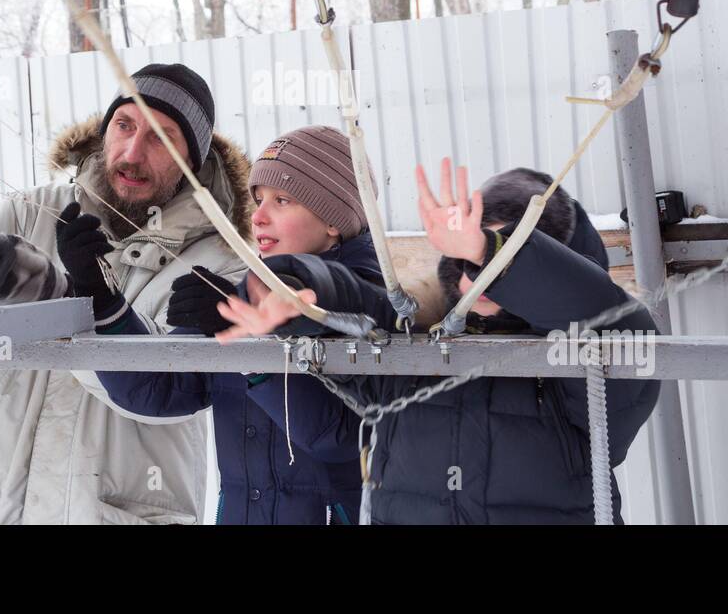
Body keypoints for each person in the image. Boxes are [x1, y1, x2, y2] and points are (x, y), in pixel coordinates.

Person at [0, 63, 251, 524]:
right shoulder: (34, 214)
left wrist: (87, 297)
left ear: (193, 161)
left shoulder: (220, 263)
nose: (132, 152)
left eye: (161, 138)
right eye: (124, 126)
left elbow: (156, 389)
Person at [217, 158, 662, 524]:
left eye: (497, 253)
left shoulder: (580, 365)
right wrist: (296, 289)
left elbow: (614, 325)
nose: (477, 271)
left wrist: (489, 250)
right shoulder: (420, 347)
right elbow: (358, 303)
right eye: (466, 253)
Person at [82, 125, 384, 524]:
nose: (258, 217)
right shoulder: (247, 288)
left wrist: (248, 340)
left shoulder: (365, 301)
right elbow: (155, 389)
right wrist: (107, 305)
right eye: (258, 199)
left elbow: (338, 435)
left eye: (282, 200)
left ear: (333, 219)